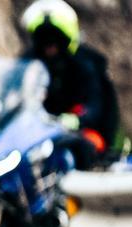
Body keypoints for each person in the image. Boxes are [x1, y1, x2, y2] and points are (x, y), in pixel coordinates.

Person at [21, 0, 119, 161]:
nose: (49, 48)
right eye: (44, 42)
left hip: (82, 133)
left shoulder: (86, 64)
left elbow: (95, 106)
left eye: (53, 42)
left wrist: (75, 120)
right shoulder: (30, 65)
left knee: (81, 148)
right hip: (39, 133)